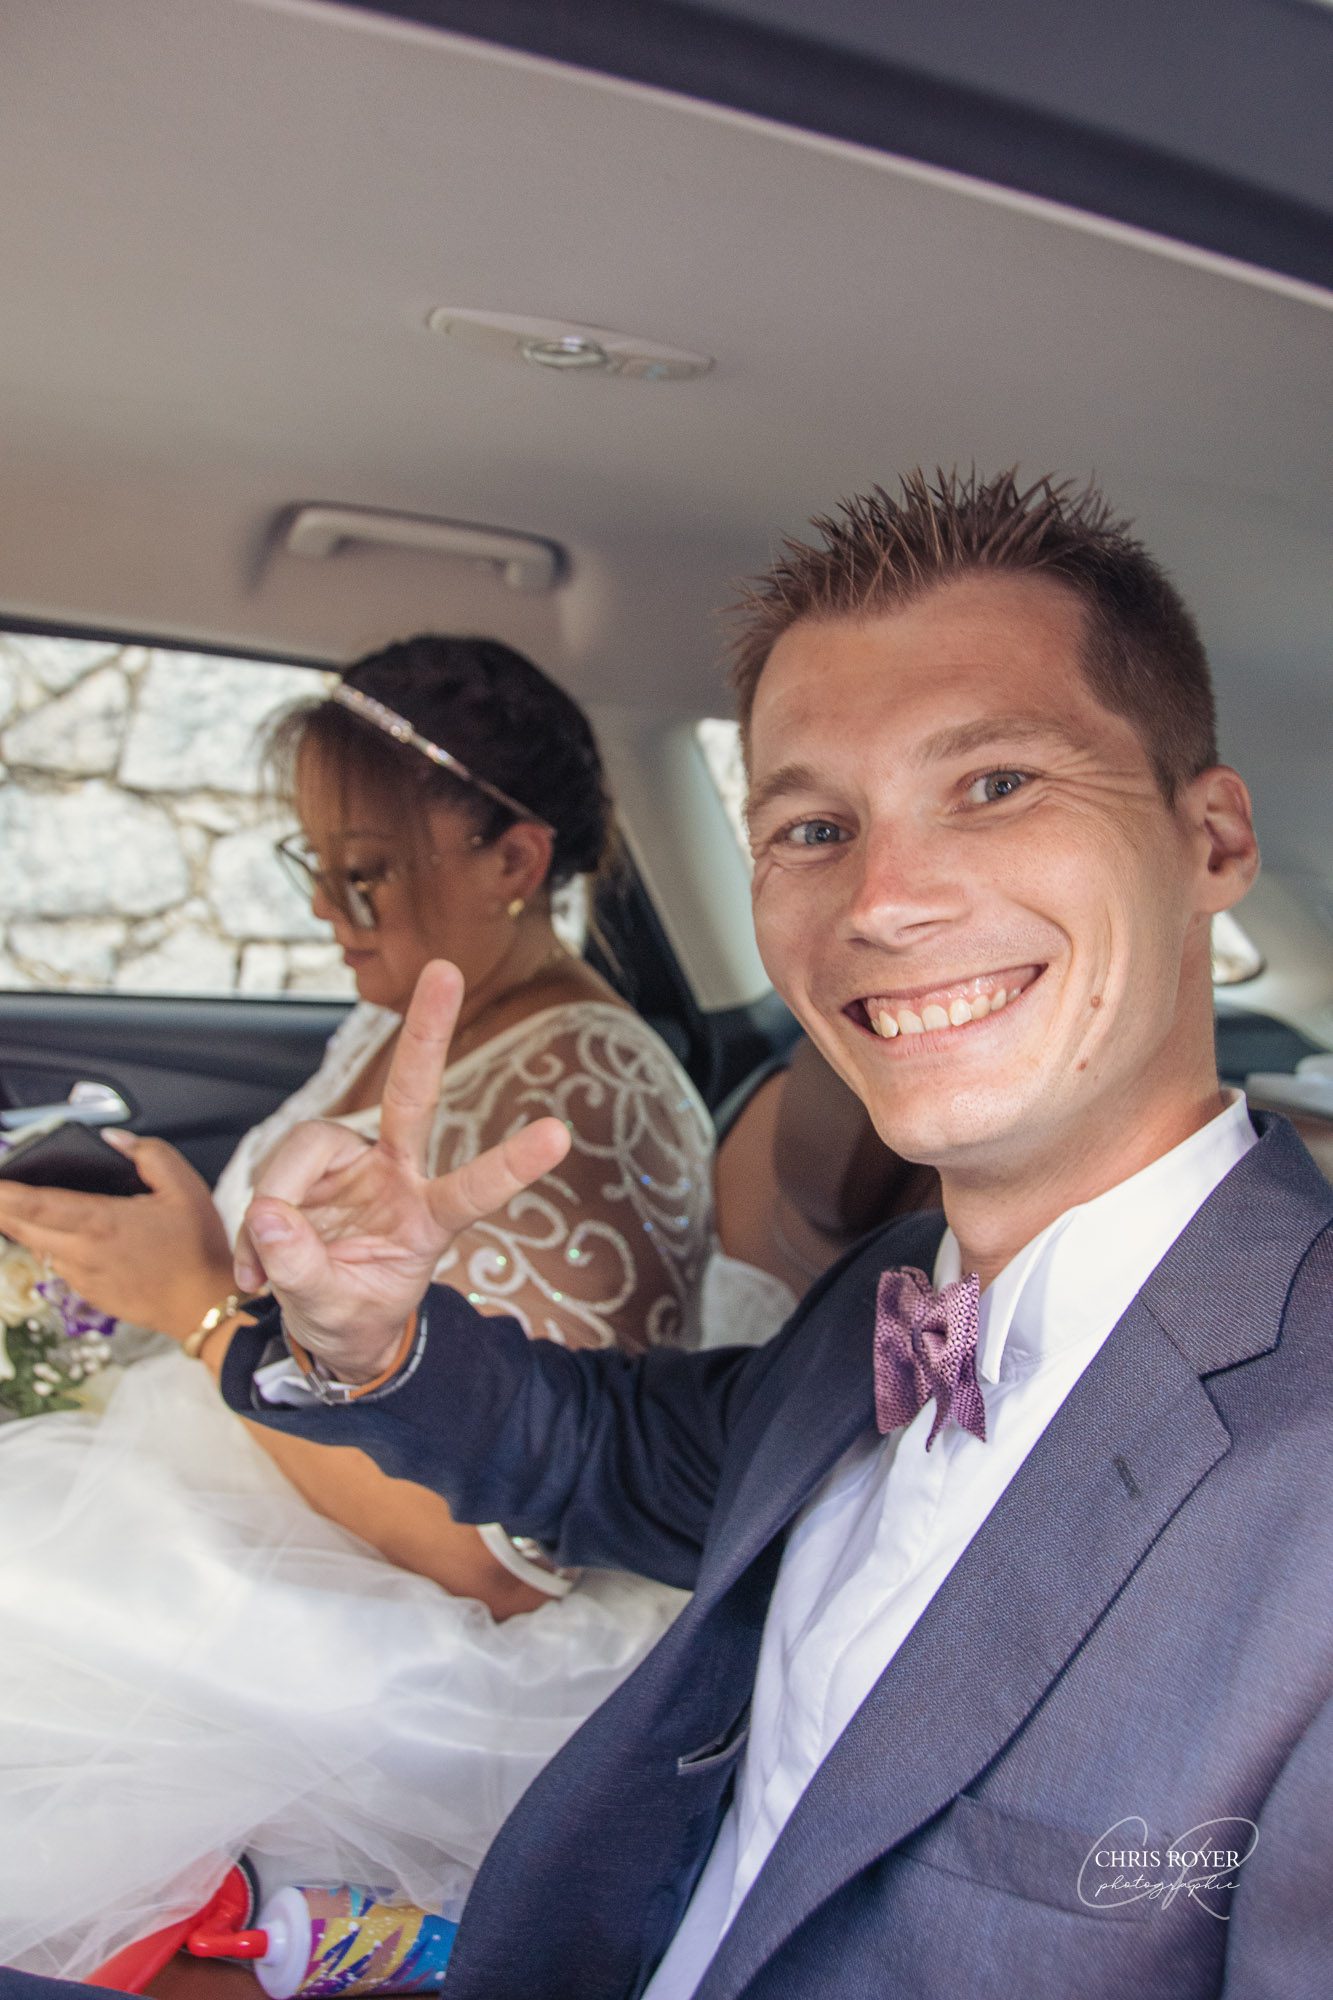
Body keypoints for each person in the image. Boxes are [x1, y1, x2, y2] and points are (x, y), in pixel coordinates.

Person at [136, 467, 1332, 2000]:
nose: (884, 902)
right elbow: (615, 1455)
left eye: (996, 786)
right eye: (814, 826)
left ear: (1211, 840)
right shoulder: (885, 1302)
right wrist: (367, 1335)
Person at [0, 637, 792, 1981]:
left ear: (514, 862)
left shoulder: (583, 1093)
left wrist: (198, 1309)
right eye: (308, 865)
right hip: (257, 1472)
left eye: (360, 872)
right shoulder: (400, 1024)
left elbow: (496, 1562)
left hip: (429, 1632)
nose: (325, 909)